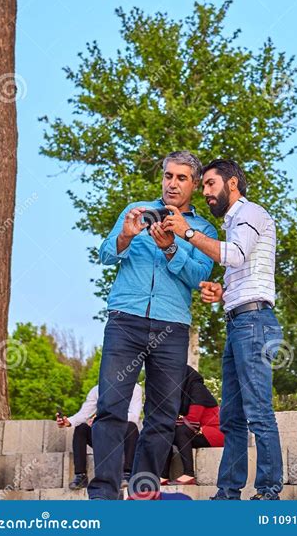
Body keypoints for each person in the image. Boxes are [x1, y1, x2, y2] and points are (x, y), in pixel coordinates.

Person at [87, 151, 218, 500]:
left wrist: (174, 247)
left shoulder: (203, 229)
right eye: (168, 176)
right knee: (111, 408)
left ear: (193, 183)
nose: (172, 184)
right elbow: (104, 254)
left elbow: (199, 276)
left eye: (181, 178)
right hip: (124, 321)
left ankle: (143, 493)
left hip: (172, 327)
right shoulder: (136, 210)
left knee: (161, 417)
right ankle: (103, 496)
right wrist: (126, 237)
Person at [162, 159, 283, 500]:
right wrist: (222, 292)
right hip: (239, 323)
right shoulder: (235, 222)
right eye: (203, 187)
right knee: (231, 417)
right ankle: (228, 492)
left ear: (232, 184)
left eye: (210, 184)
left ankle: (269, 490)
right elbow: (245, 271)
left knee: (258, 410)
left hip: (255, 324)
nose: (205, 193)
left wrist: (186, 231)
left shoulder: (250, 213)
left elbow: (235, 255)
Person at [57, 383, 142, 490]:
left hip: (124, 438)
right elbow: (84, 414)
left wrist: (104, 418)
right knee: (81, 428)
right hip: (104, 437)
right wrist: (68, 421)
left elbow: (134, 416)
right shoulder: (97, 390)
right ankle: (81, 476)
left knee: (131, 426)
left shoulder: (134, 388)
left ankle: (127, 474)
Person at [161, 366, 224, 486]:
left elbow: (193, 421)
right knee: (166, 432)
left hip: (214, 433)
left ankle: (189, 475)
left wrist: (173, 421)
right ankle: (163, 476)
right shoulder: (181, 392)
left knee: (180, 431)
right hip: (198, 432)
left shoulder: (198, 389)